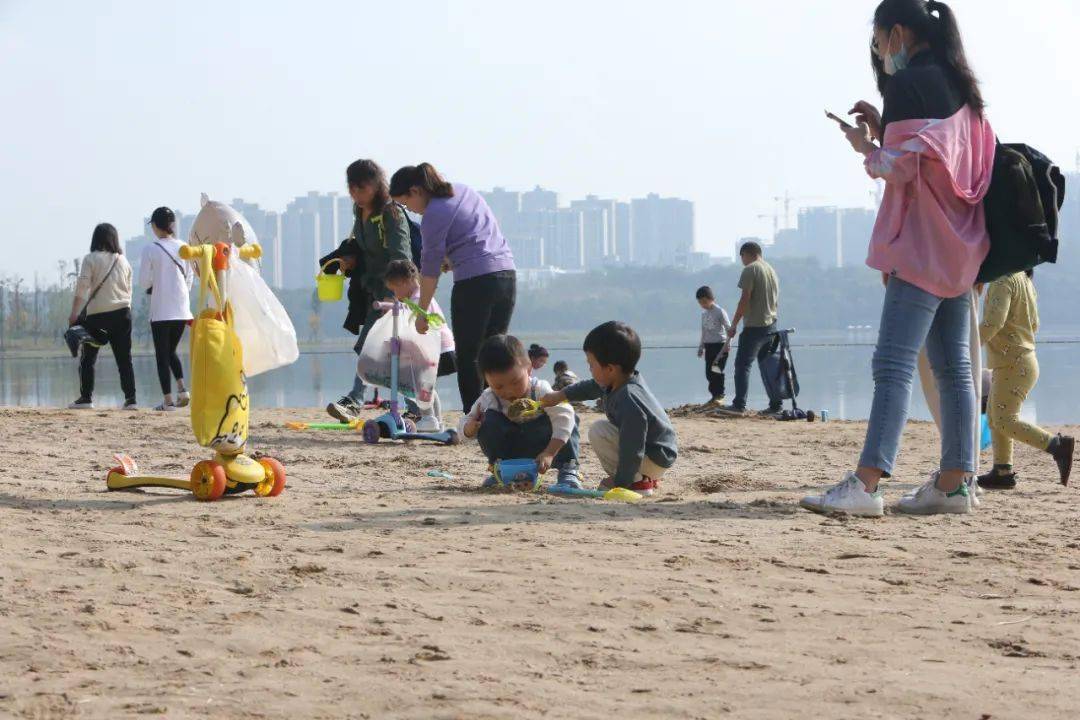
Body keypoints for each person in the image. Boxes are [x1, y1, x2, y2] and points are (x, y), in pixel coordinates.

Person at [801, 0, 995, 517]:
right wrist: (886, 127)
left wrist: (866, 145)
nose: (880, 51)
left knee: (892, 364)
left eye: (881, 40)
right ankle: (955, 484)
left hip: (920, 247)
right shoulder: (960, 86)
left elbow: (902, 168)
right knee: (955, 368)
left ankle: (866, 483)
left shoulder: (910, 84)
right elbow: (939, 157)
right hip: (961, 248)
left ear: (899, 33)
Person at [390, 163, 516, 411]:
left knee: (469, 357)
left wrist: (421, 313)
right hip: (506, 276)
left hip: (474, 284)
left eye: (405, 204)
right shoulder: (463, 191)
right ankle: (500, 410)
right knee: (495, 353)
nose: (410, 211)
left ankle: (475, 417)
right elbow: (475, 235)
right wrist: (453, 259)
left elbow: (429, 271)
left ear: (415, 191)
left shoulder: (433, 214)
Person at [541, 321, 678, 497]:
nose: (589, 369)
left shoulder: (628, 398)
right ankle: (643, 476)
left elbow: (632, 446)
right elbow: (589, 387)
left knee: (599, 431)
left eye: (591, 364)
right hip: (656, 453)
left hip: (655, 456)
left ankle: (637, 483)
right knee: (605, 429)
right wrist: (559, 396)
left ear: (611, 368)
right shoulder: (617, 380)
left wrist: (622, 481)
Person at [323, 159, 412, 423]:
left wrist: (394, 294)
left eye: (361, 189)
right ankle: (414, 404)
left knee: (373, 347)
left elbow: (402, 256)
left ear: (376, 185)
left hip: (394, 292)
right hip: (371, 289)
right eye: (352, 190)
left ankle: (354, 401)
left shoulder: (391, 213)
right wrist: (351, 261)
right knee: (389, 351)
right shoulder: (358, 210)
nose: (356, 195)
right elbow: (365, 248)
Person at [977, 271, 1075, 488]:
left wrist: (968, 343)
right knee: (995, 417)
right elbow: (1035, 324)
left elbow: (993, 322)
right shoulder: (1023, 280)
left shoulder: (1002, 280)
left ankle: (1056, 445)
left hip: (1013, 362)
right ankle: (1002, 471)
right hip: (1021, 361)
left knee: (1004, 420)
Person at [458, 335, 581, 489]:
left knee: (567, 413)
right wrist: (468, 429)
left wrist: (549, 452)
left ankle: (568, 469)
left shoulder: (540, 390)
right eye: (499, 386)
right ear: (486, 381)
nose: (509, 391)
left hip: (547, 446)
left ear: (528, 368)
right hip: (512, 450)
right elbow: (464, 423)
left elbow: (565, 418)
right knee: (488, 421)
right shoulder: (489, 398)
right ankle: (502, 471)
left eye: (515, 382)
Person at [68, 223, 136, 410]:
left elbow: (82, 288)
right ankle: (131, 399)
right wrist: (124, 308)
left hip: (97, 317)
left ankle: (86, 398)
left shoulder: (90, 259)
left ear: (95, 239)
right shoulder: (123, 261)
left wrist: (74, 313)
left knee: (88, 357)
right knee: (124, 359)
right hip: (123, 314)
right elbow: (129, 290)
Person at [383, 259, 458, 433]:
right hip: (444, 349)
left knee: (419, 384)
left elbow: (412, 325)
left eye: (395, 288)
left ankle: (429, 418)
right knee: (427, 386)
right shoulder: (419, 296)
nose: (395, 293)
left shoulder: (418, 299)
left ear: (406, 282)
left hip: (437, 349)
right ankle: (435, 421)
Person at [139, 206, 193, 411]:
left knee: (162, 354)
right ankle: (183, 390)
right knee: (171, 351)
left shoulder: (150, 249)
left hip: (161, 310)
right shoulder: (184, 248)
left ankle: (168, 401)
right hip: (182, 309)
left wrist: (157, 283)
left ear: (154, 226)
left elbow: (144, 282)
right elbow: (189, 278)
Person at [723, 242, 780, 414]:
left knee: (742, 365)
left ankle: (739, 404)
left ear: (745, 254)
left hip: (754, 326)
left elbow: (744, 299)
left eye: (742, 258)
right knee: (767, 366)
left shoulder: (750, 269)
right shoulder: (771, 270)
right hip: (771, 325)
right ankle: (776, 405)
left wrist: (733, 324)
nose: (742, 262)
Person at [696, 286, 731, 405]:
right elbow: (704, 331)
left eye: (704, 302)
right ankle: (714, 395)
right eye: (700, 303)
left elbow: (729, 329)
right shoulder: (704, 314)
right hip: (709, 346)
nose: (703, 304)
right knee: (709, 373)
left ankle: (720, 395)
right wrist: (701, 347)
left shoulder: (720, 311)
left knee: (717, 370)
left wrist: (728, 344)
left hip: (720, 345)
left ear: (711, 298)